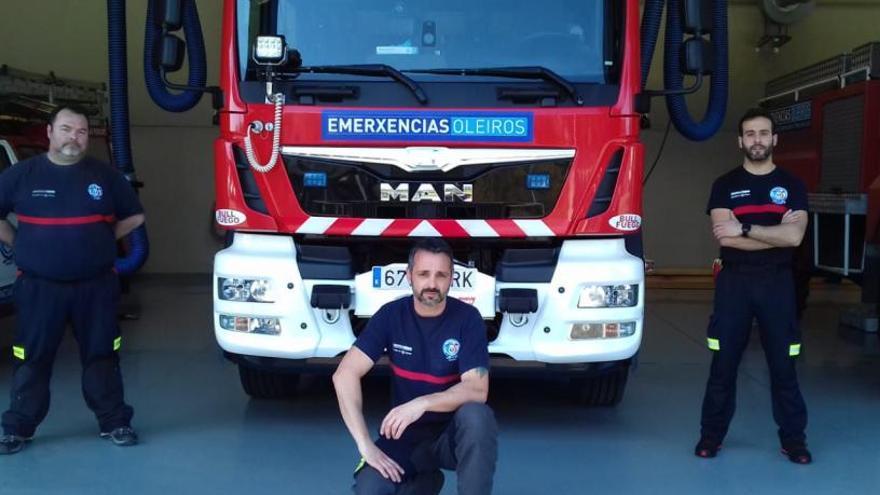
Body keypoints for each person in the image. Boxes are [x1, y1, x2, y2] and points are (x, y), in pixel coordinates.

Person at [0, 106, 145, 455]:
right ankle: (17, 427)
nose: (74, 137)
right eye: (66, 129)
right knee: (31, 357)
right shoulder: (22, 175)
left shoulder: (105, 177)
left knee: (102, 356)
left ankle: (114, 422)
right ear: (49, 132)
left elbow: (135, 216)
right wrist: (19, 244)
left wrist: (101, 239)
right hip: (39, 287)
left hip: (95, 287)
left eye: (81, 132)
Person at [333, 238, 498, 494]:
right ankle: (425, 483)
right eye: (423, 274)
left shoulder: (468, 319)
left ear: (451, 278)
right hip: (406, 437)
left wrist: (421, 404)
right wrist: (365, 444)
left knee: (478, 417)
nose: (432, 284)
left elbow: (477, 389)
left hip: (451, 437)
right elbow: (344, 375)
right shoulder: (390, 315)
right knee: (370, 487)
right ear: (409, 276)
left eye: (441, 275)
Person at [695, 107, 811, 464]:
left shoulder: (792, 185)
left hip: (778, 283)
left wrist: (745, 228)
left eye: (763, 133)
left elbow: (794, 238)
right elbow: (725, 239)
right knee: (723, 364)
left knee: (783, 366)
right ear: (740, 141)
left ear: (774, 139)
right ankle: (710, 437)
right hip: (735, 283)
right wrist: (773, 233)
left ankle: (794, 440)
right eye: (750, 134)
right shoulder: (725, 185)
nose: (757, 140)